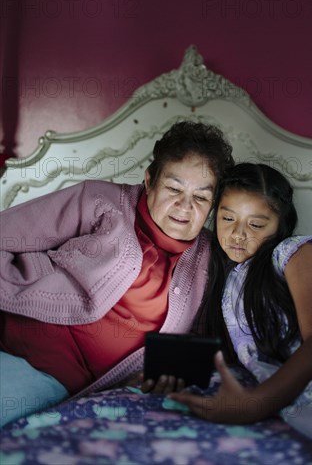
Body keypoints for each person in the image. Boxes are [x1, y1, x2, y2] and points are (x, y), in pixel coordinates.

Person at [0, 121, 234, 428]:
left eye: (201, 197)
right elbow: (7, 233)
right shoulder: (101, 202)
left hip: (64, 378)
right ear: (149, 181)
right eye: (174, 188)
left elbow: (206, 341)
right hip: (21, 339)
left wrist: (168, 371)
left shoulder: (210, 259)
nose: (184, 206)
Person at [169, 163, 312, 464]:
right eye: (227, 218)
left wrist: (254, 405)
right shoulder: (221, 276)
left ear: (280, 225)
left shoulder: (294, 254)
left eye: (256, 225)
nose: (238, 234)